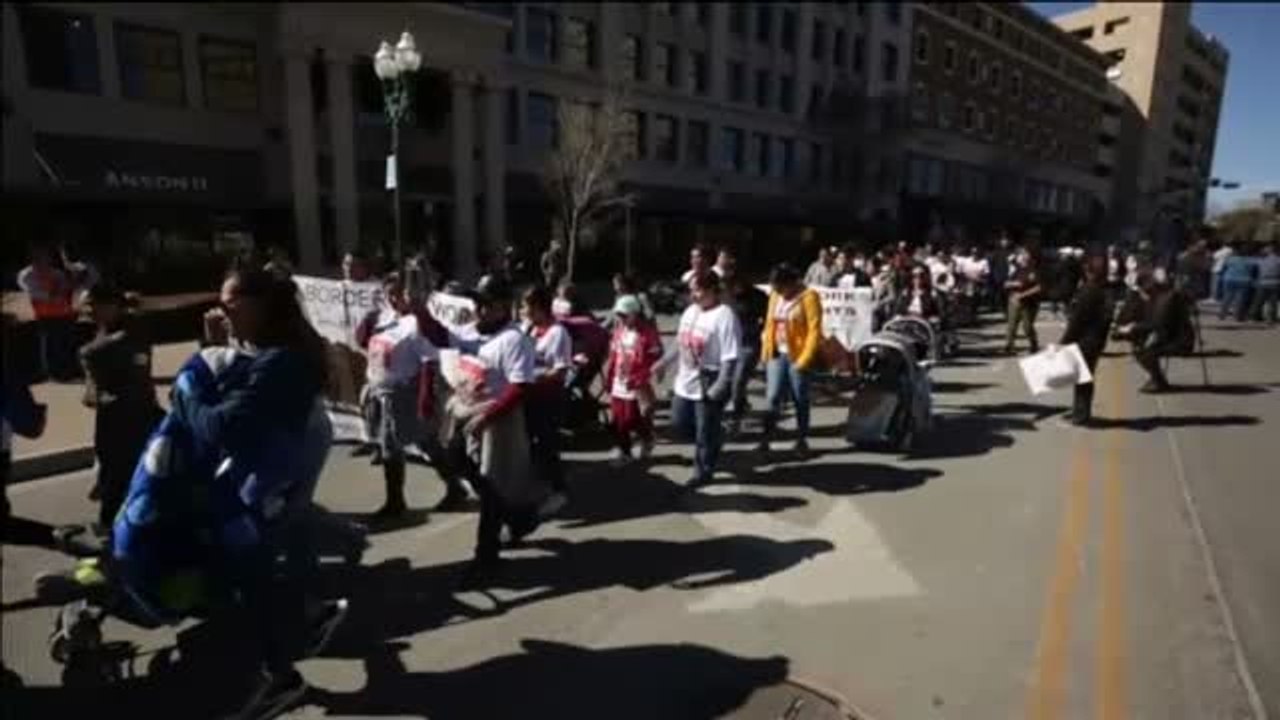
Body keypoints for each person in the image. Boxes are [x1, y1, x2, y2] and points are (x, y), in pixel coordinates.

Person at [187, 268, 346, 718]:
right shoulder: (272, 351)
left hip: (279, 469)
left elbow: (225, 421)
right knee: (276, 545)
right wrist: (213, 348)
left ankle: (279, 675)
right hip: (277, 465)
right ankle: (311, 615)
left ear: (259, 306)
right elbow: (236, 383)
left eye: (231, 306)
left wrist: (186, 392)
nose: (222, 312)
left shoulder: (283, 360)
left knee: (250, 573)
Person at [445, 277, 543, 577]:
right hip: (467, 415)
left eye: (484, 305)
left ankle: (486, 555)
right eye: (476, 304)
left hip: (498, 422)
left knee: (491, 487)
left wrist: (487, 418)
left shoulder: (514, 340)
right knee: (459, 463)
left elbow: (520, 387)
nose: (478, 310)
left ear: (501, 307)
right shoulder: (474, 333)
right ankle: (518, 516)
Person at [77, 284, 163, 540]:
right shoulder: (109, 330)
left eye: (94, 304)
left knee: (122, 480)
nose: (89, 310)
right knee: (117, 477)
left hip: (132, 420)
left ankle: (115, 537)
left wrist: (86, 356)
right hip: (116, 418)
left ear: (112, 305)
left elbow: (97, 353)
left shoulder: (130, 333)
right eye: (88, 305)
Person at [355, 273, 444, 521]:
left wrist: (425, 397)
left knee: (423, 442)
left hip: (402, 393)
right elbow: (364, 342)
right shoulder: (384, 319)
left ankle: (451, 484)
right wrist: (367, 322)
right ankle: (396, 500)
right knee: (390, 447)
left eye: (398, 293)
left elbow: (429, 361)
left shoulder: (416, 323)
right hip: (379, 391)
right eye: (389, 294)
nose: (394, 299)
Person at [668, 271, 741, 486]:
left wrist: (721, 384)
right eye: (691, 291)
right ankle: (715, 435)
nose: (693, 295)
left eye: (698, 290)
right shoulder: (691, 311)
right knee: (679, 423)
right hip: (685, 379)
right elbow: (679, 342)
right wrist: (662, 364)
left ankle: (703, 471)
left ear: (712, 290)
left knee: (703, 432)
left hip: (709, 379)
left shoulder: (725, 315)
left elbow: (730, 356)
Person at [758, 263, 822, 455]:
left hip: (798, 356)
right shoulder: (775, 296)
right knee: (772, 398)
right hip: (777, 353)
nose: (778, 292)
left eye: (780, 287)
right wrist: (766, 351)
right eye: (775, 288)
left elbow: (814, 331)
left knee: (799, 399)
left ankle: (801, 440)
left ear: (791, 283)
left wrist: (804, 360)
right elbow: (769, 324)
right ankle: (765, 439)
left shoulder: (809, 297)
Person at [521, 286, 572, 511]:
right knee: (529, 445)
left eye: (527, 306)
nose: (524, 311)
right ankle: (536, 488)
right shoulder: (528, 329)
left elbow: (560, 371)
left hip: (548, 399)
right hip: (528, 397)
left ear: (539, 307)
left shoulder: (558, 333)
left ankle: (558, 491)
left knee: (547, 445)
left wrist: (533, 378)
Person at [603, 295, 663, 465]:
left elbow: (655, 358)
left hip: (635, 382)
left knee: (631, 418)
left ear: (634, 314)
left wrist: (641, 377)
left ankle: (647, 437)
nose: (621, 319)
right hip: (619, 381)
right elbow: (614, 356)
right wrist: (609, 377)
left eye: (624, 315)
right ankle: (625, 451)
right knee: (617, 419)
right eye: (619, 315)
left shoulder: (647, 333)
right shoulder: (618, 332)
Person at [1058, 257, 1113, 426]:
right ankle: (1080, 411)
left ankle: (1081, 414)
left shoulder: (1089, 290)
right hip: (1095, 339)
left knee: (1083, 379)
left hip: (1085, 340)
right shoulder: (1103, 290)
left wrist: (1064, 341)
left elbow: (1077, 320)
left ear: (1089, 271)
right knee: (1083, 377)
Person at [719, 249, 768, 437]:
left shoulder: (757, 296)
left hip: (749, 344)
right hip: (728, 345)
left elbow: (768, 319)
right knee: (727, 382)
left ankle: (736, 418)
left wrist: (758, 331)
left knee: (738, 381)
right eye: (730, 282)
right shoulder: (724, 295)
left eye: (737, 281)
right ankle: (739, 405)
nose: (735, 286)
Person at [17, 243, 79, 382]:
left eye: (46, 256)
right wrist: (55, 293)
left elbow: (67, 288)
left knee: (65, 343)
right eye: (39, 256)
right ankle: (52, 373)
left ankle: (66, 371)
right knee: (49, 344)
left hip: (64, 313)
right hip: (44, 315)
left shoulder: (56, 273)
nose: (44, 259)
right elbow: (36, 293)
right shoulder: (27, 275)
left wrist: (70, 281)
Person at [1124, 272, 1194, 393]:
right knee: (1138, 345)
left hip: (1178, 340)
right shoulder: (1158, 297)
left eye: (1142, 289)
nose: (1141, 292)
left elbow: (1159, 323)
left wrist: (1134, 327)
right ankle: (1157, 379)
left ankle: (1158, 381)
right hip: (1167, 336)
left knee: (1144, 351)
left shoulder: (1165, 299)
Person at [1003, 247, 1043, 355]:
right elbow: (1006, 283)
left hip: (1029, 303)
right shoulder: (1015, 269)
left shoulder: (1033, 270)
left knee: (1027, 327)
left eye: (1024, 254)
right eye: (1020, 255)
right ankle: (1009, 346)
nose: (1021, 257)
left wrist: (1023, 294)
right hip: (1014, 301)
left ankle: (1034, 344)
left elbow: (1038, 288)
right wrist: (1014, 284)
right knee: (1012, 325)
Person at [1218, 242, 1256, 322]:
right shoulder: (1251, 261)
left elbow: (1224, 267)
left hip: (1229, 279)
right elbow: (1253, 271)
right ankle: (1237, 316)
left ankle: (1222, 314)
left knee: (1227, 297)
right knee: (1240, 299)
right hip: (1244, 280)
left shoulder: (1230, 259)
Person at [1248, 241, 1280, 325]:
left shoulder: (1260, 259)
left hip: (1262, 282)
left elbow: (1251, 263)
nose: (1263, 250)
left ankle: (1253, 317)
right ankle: (1271, 319)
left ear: (1270, 250)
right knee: (1272, 302)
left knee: (1258, 301)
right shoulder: (1278, 260)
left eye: (1266, 248)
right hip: (1275, 283)